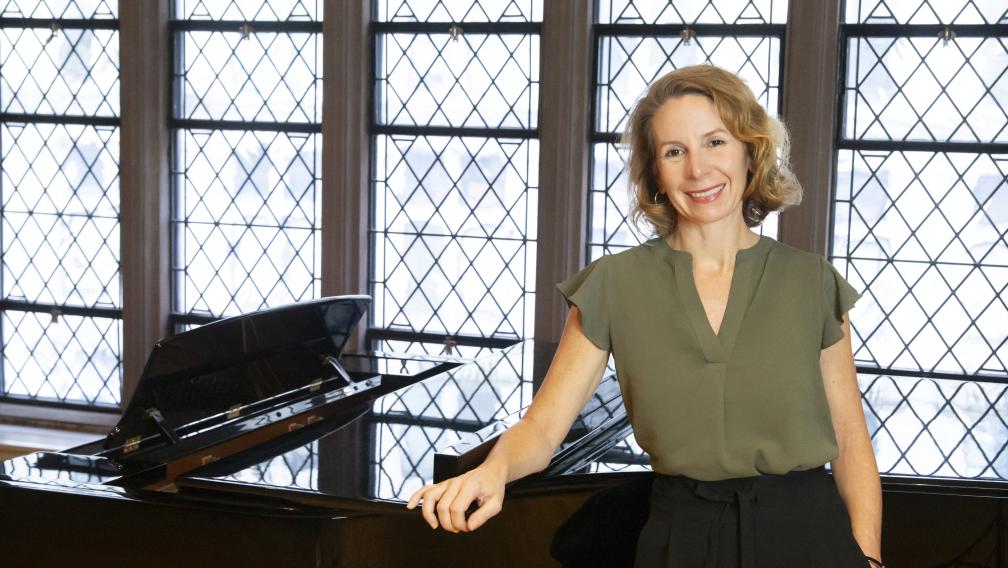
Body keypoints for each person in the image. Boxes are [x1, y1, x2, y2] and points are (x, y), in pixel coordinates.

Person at [407, 64, 883, 567]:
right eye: (674, 152)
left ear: (750, 151)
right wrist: (494, 470)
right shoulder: (614, 284)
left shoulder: (812, 282)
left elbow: (851, 440)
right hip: (679, 541)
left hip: (809, 540)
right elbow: (542, 430)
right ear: (655, 173)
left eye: (715, 142)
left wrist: (869, 558)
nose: (698, 170)